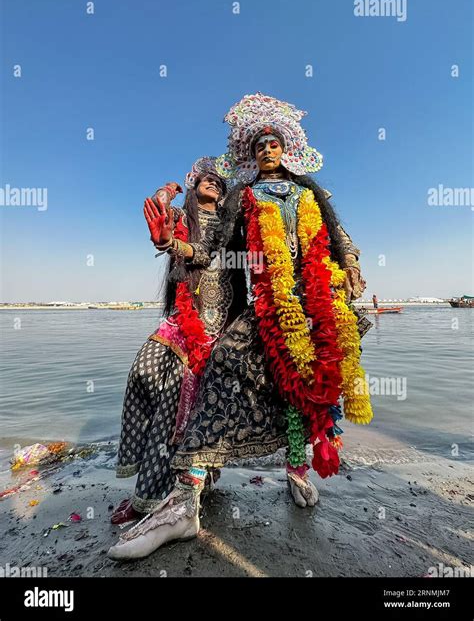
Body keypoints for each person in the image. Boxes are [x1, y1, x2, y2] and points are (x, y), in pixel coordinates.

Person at [108, 93, 373, 560]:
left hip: (319, 298)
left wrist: (349, 263)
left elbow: (339, 238)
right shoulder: (243, 197)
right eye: (259, 146)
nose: (267, 150)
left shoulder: (310, 192)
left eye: (273, 143)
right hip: (268, 304)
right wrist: (174, 243)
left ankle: (296, 468)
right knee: (222, 366)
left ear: (284, 148)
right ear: (251, 156)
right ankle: (185, 503)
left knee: (307, 388)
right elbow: (211, 252)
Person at [111, 158, 236, 524]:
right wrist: (165, 194)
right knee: (144, 371)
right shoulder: (184, 216)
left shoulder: (231, 223)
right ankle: (153, 483)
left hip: (219, 323)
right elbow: (162, 219)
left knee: (183, 406)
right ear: (194, 185)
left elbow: (209, 251)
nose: (211, 182)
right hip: (185, 318)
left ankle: (156, 496)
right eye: (205, 178)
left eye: (218, 180)